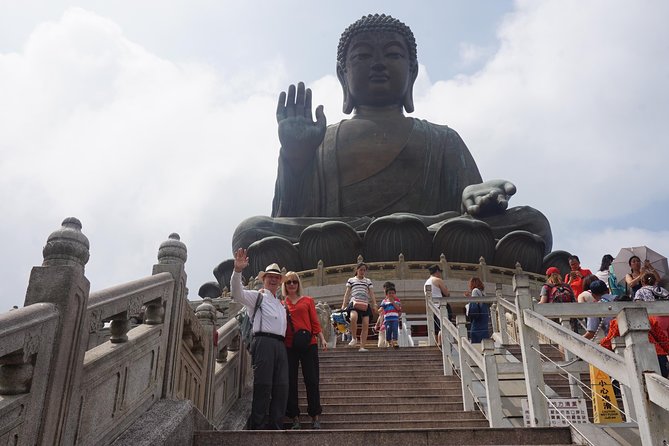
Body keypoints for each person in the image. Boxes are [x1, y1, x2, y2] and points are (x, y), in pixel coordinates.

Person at [232, 13, 552, 268]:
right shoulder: (323, 140)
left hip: (430, 233)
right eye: (363, 56)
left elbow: (471, 212)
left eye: (393, 55)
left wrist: (476, 199)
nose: (379, 64)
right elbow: (285, 215)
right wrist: (296, 158)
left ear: (411, 72)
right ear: (343, 75)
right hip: (337, 238)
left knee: (533, 223)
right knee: (251, 232)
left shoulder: (442, 139)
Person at [230, 249, 288, 430]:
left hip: (280, 345)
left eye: (276, 277)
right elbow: (237, 293)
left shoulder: (281, 304)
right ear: (263, 279)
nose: (273, 279)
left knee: (282, 385)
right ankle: (258, 424)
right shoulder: (258, 297)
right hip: (263, 342)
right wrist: (237, 271)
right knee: (263, 383)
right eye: (270, 276)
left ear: (280, 282)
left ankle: (277, 423)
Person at [282, 271, 327, 430]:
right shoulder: (282, 304)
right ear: (285, 285)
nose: (292, 284)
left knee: (312, 380)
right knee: (290, 381)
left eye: (294, 281)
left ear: (298, 283)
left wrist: (322, 337)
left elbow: (314, 322)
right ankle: (294, 417)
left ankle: (315, 416)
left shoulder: (308, 300)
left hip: (309, 344)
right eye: (288, 282)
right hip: (289, 346)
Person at [601, 316, 669, 378]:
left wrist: (600, 344)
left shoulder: (617, 323)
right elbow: (663, 340)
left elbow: (608, 342)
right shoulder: (649, 319)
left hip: (635, 358)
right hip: (658, 356)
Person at [342, 262, 377, 352]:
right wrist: (344, 305)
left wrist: (374, 304)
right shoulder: (351, 280)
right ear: (357, 270)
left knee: (366, 324)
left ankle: (362, 346)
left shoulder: (368, 281)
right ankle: (354, 338)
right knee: (353, 317)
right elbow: (347, 294)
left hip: (365, 303)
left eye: (364, 270)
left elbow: (371, 293)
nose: (362, 272)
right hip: (354, 302)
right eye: (361, 269)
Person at [424, 264, 450, 346]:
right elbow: (446, 293)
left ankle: (435, 345)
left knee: (435, 328)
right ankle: (441, 343)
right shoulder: (438, 280)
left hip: (431, 307)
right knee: (443, 326)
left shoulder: (426, 283)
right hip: (440, 306)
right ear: (437, 272)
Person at [464, 277, 490, 343]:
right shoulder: (482, 292)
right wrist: (469, 297)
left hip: (478, 317)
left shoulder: (475, 290)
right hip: (483, 316)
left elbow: (474, 304)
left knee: (475, 334)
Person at [378, 282, 402, 348]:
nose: (391, 294)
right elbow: (380, 310)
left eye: (393, 293)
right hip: (387, 320)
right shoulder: (384, 301)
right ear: (387, 294)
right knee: (388, 331)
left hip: (395, 319)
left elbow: (399, 309)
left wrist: (393, 302)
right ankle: (389, 341)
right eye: (389, 293)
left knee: (395, 330)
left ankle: (395, 341)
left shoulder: (397, 301)